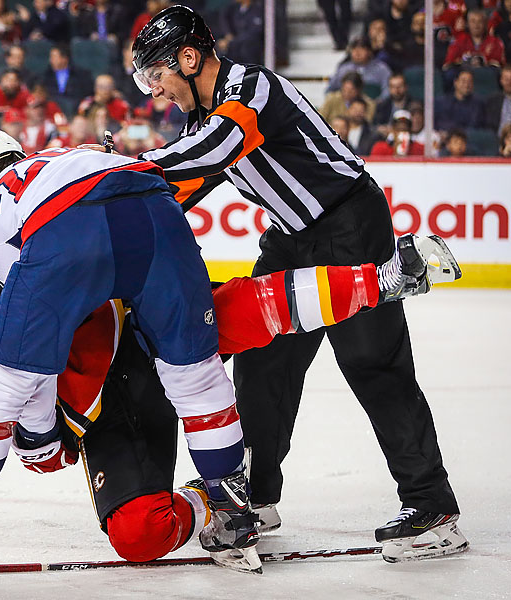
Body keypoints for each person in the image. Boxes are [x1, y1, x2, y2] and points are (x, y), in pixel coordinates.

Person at [0, 139, 458, 577]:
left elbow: (8, 381)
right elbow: (22, 418)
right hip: (109, 399)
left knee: (234, 314)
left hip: (129, 327)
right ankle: (216, 495)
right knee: (138, 531)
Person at [130, 4, 467, 563]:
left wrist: (127, 170)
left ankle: (434, 507)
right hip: (290, 240)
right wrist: (112, 204)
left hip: (349, 225)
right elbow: (179, 190)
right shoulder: (198, 123)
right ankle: (256, 497)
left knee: (372, 365)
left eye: (158, 74)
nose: (156, 90)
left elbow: (213, 152)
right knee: (263, 365)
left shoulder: (250, 89)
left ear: (189, 58)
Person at [0, 128, 265, 578]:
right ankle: (233, 506)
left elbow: (36, 343)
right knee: (202, 371)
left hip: (84, 268)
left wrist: (37, 440)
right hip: (154, 220)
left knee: (3, 380)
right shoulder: (72, 155)